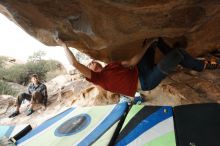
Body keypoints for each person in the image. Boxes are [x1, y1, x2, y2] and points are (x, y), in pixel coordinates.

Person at [55, 37, 219, 98]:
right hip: (147, 81)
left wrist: (147, 46)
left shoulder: (111, 66)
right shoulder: (99, 79)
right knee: (179, 54)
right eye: (89, 63)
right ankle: (202, 65)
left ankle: (172, 52)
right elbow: (75, 63)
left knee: (153, 40)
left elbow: (132, 62)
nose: (91, 62)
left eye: (91, 61)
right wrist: (63, 45)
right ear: (90, 73)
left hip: (141, 69)